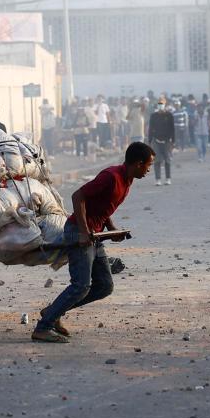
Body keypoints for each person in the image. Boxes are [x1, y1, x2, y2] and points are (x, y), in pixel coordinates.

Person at [31, 142, 155, 343]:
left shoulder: (127, 180)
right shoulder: (111, 177)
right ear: (139, 163)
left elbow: (101, 207)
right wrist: (82, 231)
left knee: (104, 286)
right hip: (79, 233)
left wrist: (112, 228)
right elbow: (78, 196)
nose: (149, 170)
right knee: (81, 285)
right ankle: (42, 327)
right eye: (148, 165)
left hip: (94, 236)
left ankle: (52, 312)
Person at [147, 98, 175, 186]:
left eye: (162, 103)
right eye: (159, 104)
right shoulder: (153, 116)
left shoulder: (169, 115)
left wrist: (173, 141)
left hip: (167, 141)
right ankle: (158, 179)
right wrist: (150, 140)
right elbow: (150, 128)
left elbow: (172, 129)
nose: (160, 105)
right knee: (157, 160)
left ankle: (168, 178)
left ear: (165, 104)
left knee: (167, 160)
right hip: (156, 141)